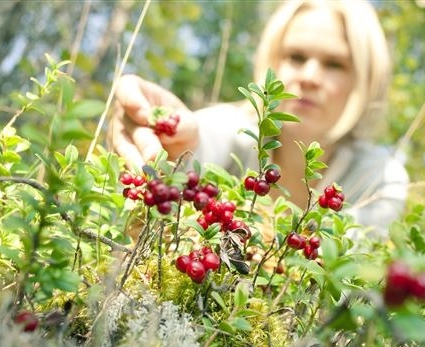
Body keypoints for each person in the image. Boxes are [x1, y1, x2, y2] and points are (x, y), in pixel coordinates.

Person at [109, 0, 409, 234]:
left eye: (334, 64)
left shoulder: (379, 178)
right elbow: (197, 142)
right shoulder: (235, 130)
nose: (309, 77)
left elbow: (342, 284)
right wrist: (170, 139)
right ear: (273, 61)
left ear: (365, 80)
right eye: (296, 57)